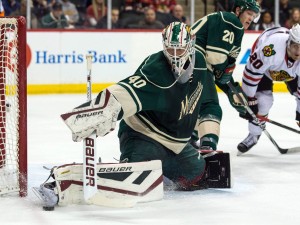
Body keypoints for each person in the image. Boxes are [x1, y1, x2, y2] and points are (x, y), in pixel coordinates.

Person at [60, 22, 230, 191]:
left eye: (180, 49)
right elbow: (126, 92)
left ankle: (158, 170)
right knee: (132, 180)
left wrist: (209, 142)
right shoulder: (156, 69)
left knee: (200, 175)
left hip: (176, 144)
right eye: (171, 49)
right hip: (143, 135)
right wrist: (97, 113)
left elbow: (209, 104)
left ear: (191, 45)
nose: (176, 56)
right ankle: (79, 179)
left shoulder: (200, 63)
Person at [189, 0, 260, 150]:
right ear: (238, 10)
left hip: (190, 62)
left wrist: (232, 91)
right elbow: (216, 59)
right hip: (194, 60)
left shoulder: (234, 27)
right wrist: (228, 82)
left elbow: (220, 71)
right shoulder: (231, 20)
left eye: (253, 16)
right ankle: (207, 148)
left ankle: (189, 140)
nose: (251, 19)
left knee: (196, 106)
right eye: (249, 13)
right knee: (210, 107)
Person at [237, 24, 300, 153]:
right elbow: (251, 72)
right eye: (295, 46)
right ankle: (253, 135)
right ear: (289, 42)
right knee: (263, 102)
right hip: (266, 69)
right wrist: (249, 99)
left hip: (290, 71)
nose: (298, 52)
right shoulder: (271, 48)